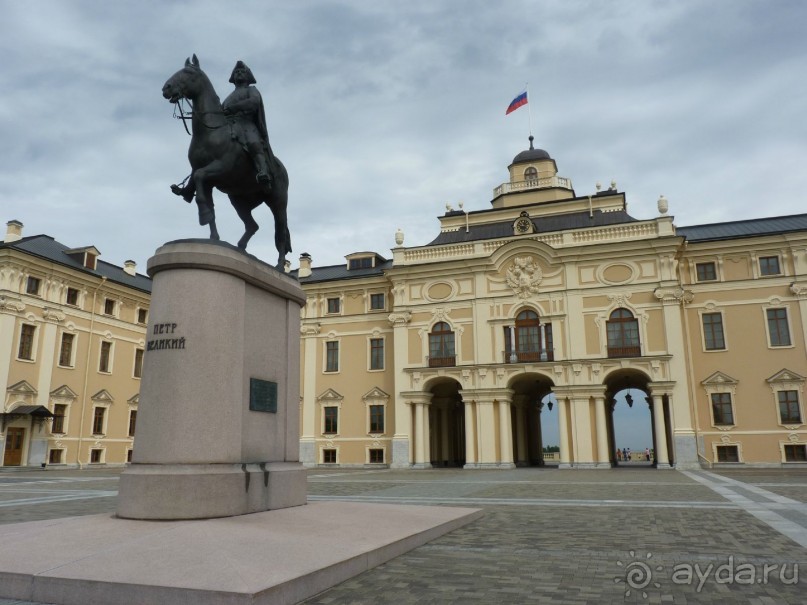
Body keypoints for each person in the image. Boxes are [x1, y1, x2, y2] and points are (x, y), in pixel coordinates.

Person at [222, 60, 274, 188]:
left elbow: (254, 102)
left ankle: (263, 171)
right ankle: (191, 187)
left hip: (246, 124)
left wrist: (234, 108)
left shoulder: (251, 90)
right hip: (229, 126)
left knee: (253, 143)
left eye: (242, 72)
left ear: (247, 76)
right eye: (236, 72)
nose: (239, 73)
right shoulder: (229, 97)